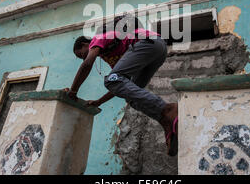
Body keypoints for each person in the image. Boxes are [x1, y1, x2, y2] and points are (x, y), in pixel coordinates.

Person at [64, 19, 178, 156]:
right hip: (159, 49)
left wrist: (73, 90)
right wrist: (99, 102)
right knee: (130, 98)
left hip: (147, 42)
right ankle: (166, 121)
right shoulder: (110, 55)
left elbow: (88, 64)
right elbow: (120, 84)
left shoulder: (97, 38)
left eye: (81, 54)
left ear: (85, 44)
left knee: (111, 80)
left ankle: (168, 109)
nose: (83, 58)